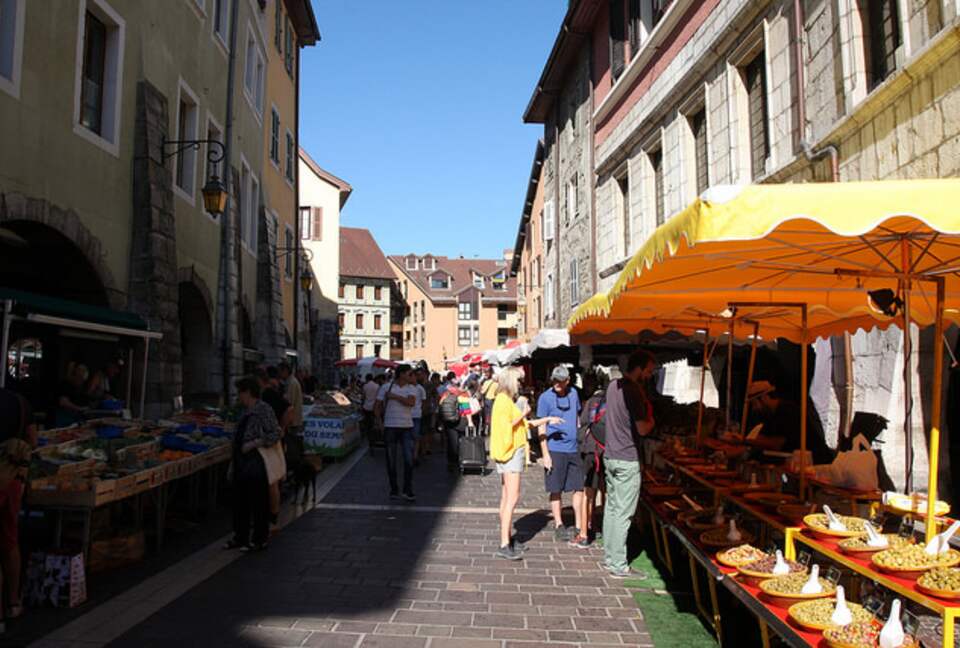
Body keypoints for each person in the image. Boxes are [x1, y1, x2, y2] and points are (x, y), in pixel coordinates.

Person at [491, 368, 560, 560]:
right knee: (511, 497)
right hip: (511, 452)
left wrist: (545, 419)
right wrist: (524, 413)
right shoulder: (503, 401)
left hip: (509, 452)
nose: (520, 384)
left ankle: (506, 539)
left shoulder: (504, 400)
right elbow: (508, 425)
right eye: (519, 381)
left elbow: (521, 424)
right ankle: (504, 543)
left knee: (507, 497)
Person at [602, 350, 657, 579]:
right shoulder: (633, 391)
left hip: (611, 455)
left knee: (612, 509)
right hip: (626, 458)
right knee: (623, 513)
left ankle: (610, 557)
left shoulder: (613, 386)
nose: (650, 374)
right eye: (649, 370)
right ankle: (618, 564)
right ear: (641, 368)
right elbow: (643, 428)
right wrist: (652, 419)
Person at [225, 377, 280, 552]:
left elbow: (274, 433)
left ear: (248, 392)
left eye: (240, 392)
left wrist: (255, 443)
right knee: (240, 502)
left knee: (258, 501)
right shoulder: (244, 411)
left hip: (256, 462)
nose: (238, 396)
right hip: (241, 462)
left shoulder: (264, 409)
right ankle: (240, 537)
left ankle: (259, 539)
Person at [536, 366, 586, 546]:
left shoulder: (573, 394)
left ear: (568, 380)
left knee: (578, 487)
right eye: (555, 380)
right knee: (555, 488)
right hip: (555, 449)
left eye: (560, 380)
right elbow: (541, 427)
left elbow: (577, 416)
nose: (557, 383)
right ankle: (559, 524)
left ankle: (579, 524)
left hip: (573, 449)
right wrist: (545, 454)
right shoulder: (545, 398)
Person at [0, 387, 36, 628]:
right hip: (11, 480)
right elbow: (32, 440)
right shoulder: (19, 402)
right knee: (9, 541)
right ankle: (12, 602)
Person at [745, 380, 833, 464]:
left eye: (754, 403)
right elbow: (762, 438)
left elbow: (777, 443)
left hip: (815, 462)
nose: (754, 408)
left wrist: (745, 440)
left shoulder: (788, 411)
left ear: (764, 397)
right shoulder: (770, 416)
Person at [375, 365, 418, 501]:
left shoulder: (411, 388)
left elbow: (411, 402)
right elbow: (377, 406)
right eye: (409, 373)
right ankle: (394, 489)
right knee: (390, 460)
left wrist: (394, 396)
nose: (412, 376)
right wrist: (380, 423)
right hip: (390, 426)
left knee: (408, 460)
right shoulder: (386, 387)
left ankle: (407, 489)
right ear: (401, 374)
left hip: (406, 427)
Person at [255, 369, 290, 523]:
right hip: (271, 439)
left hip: (271, 441)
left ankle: (273, 513)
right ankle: (272, 512)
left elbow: (289, 408)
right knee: (273, 478)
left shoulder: (268, 395)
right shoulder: (265, 395)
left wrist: (281, 430)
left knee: (272, 479)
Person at [579, 373, 609, 542]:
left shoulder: (590, 402)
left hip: (590, 449)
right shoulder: (610, 403)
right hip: (606, 450)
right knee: (606, 491)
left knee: (588, 492)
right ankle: (603, 525)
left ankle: (585, 530)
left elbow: (583, 423)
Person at [54, 362, 89, 427]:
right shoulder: (66, 384)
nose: (81, 382)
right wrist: (80, 409)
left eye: (83, 380)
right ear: (75, 375)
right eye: (80, 378)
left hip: (74, 419)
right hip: (64, 420)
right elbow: (63, 402)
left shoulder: (79, 387)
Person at [410, 368, 427, 464]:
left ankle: (415, 456)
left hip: (416, 415)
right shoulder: (407, 387)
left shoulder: (420, 388)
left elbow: (424, 402)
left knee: (416, 436)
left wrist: (421, 411)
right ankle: (411, 454)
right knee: (409, 436)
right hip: (407, 416)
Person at [361, 373, 380, 446]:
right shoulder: (377, 386)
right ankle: (374, 435)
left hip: (366, 407)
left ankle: (369, 435)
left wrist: (362, 404)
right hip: (374, 407)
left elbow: (363, 397)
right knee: (374, 422)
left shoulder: (365, 386)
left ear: (366, 379)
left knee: (368, 422)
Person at [480, 367, 499, 435]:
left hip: (488, 400)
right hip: (494, 400)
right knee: (493, 416)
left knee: (487, 416)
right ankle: (492, 430)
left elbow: (482, 392)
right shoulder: (497, 383)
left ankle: (487, 430)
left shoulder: (486, 382)